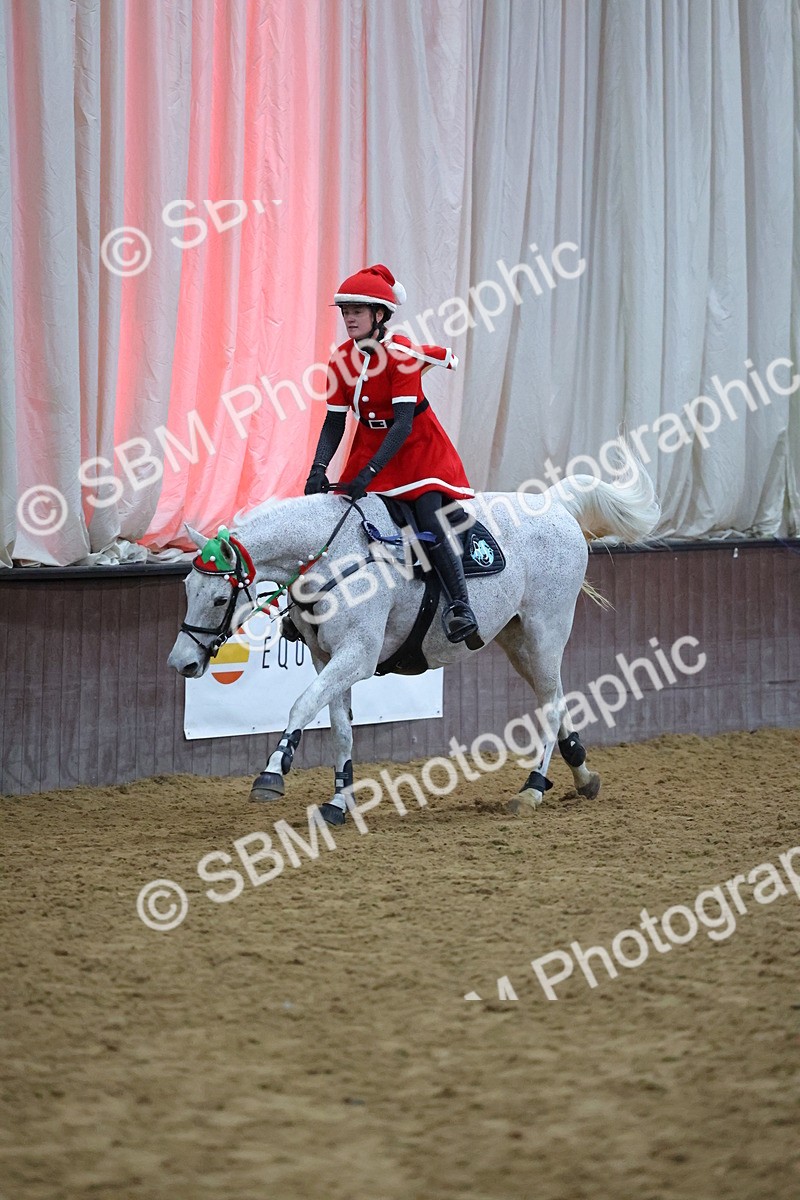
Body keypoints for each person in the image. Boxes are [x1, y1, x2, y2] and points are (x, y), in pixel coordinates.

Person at [304, 263, 480, 646]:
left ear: (380, 315)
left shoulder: (400, 353)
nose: (348, 318)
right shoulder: (340, 360)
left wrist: (368, 473)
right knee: (337, 517)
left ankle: (460, 606)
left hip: (417, 447)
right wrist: (318, 467)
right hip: (369, 445)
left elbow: (402, 424)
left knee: (428, 515)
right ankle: (313, 607)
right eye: (345, 311)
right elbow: (334, 424)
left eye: (357, 311)